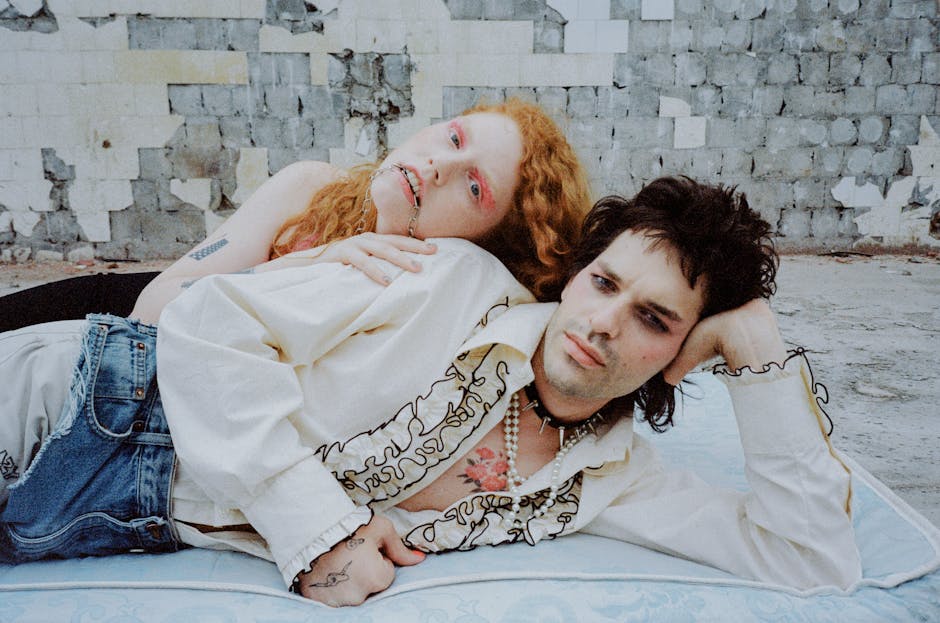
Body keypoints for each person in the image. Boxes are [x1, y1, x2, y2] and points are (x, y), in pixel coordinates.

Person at [0, 177, 862, 608]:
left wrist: (755, 347)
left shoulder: (607, 479)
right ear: (575, 276)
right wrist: (319, 531)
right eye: (603, 284)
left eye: (653, 317)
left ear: (684, 350)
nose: (603, 323)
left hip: (92, 522)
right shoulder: (453, 286)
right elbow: (208, 328)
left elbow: (812, 558)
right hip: (72, 400)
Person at [130, 98, 590, 323]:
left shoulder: (442, 297)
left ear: (488, 242)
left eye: (474, 187)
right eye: (454, 138)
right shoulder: (310, 190)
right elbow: (148, 310)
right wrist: (307, 265)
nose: (438, 166)